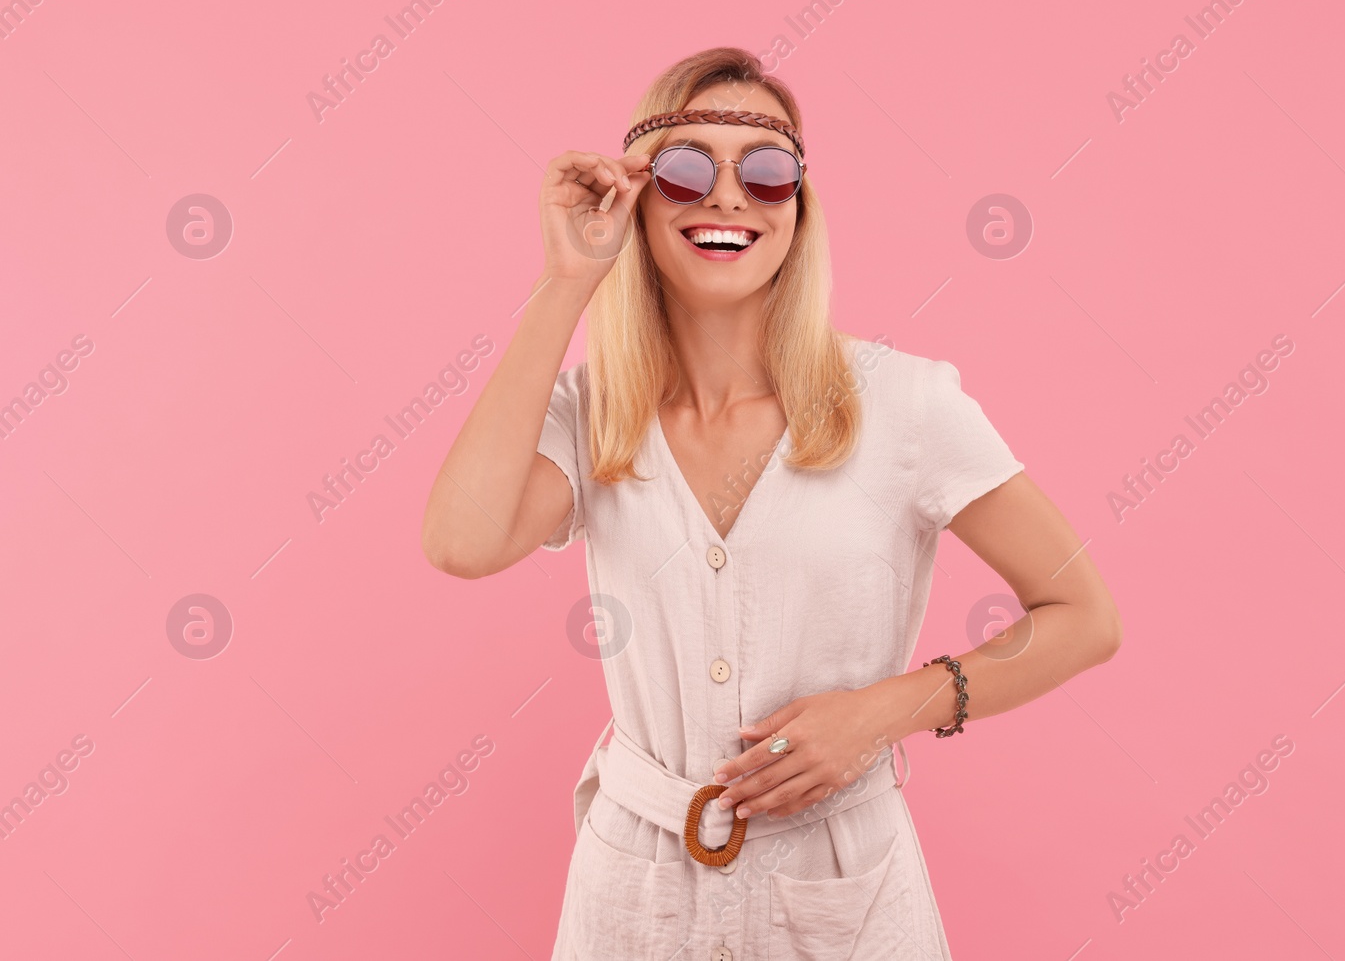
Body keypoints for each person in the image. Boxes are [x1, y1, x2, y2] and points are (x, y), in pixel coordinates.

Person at [421, 46, 1122, 960]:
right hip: (634, 890)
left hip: (842, 885)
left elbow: (1084, 615)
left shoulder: (907, 404)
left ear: (799, 206)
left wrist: (884, 712)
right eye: (682, 171)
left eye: (764, 172)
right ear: (637, 198)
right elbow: (460, 541)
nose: (726, 198)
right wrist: (567, 284)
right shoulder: (596, 414)